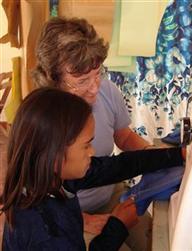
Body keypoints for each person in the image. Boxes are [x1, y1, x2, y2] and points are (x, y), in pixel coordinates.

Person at [0, 88, 184, 251]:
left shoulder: (51, 177)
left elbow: (117, 167)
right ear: (54, 154)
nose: (92, 151)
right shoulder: (46, 233)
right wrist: (118, 226)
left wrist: (176, 155)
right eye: (86, 145)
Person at [32, 17, 154, 251]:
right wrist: (84, 220)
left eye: (98, 73)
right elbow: (33, 197)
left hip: (110, 194)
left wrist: (155, 156)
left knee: (159, 239)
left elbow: (124, 137)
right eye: (82, 80)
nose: (95, 87)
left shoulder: (107, 91)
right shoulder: (41, 121)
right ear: (53, 78)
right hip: (68, 214)